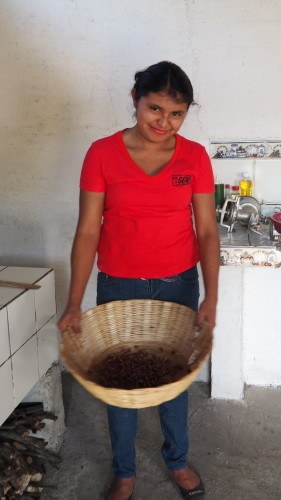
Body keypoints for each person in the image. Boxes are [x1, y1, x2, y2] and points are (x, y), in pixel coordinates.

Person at [58, 61, 220, 500]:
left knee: (175, 376)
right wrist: (74, 303)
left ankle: (178, 460)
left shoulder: (194, 157)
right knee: (118, 386)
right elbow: (88, 231)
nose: (163, 123)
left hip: (178, 285)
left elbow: (207, 231)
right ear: (135, 99)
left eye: (176, 114)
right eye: (155, 109)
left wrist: (211, 297)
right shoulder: (101, 154)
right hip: (118, 286)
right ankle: (125, 471)